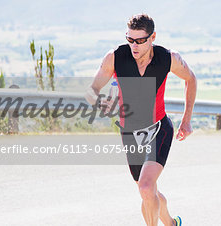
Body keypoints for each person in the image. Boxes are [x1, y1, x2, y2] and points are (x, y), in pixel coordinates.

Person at [85, 14, 196, 226]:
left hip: (158, 128)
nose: (134, 46)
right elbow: (92, 90)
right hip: (130, 132)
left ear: (152, 37)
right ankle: (172, 224)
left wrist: (186, 120)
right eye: (130, 40)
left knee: (146, 187)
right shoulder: (115, 57)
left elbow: (191, 79)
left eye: (140, 41)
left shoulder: (168, 58)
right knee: (147, 191)